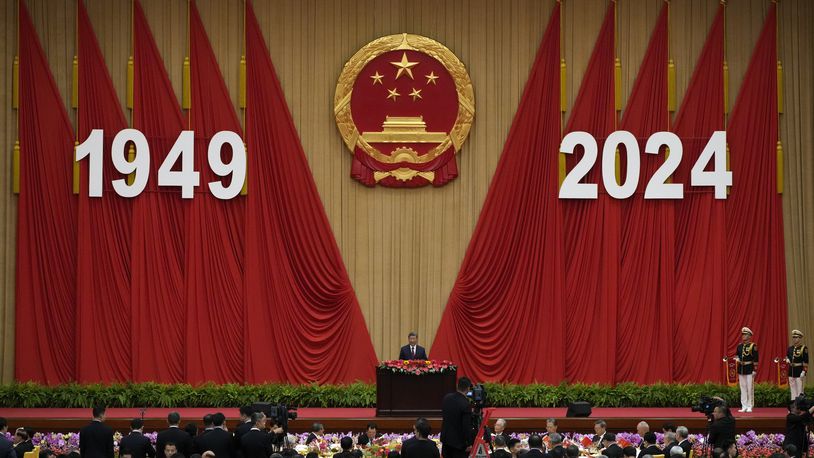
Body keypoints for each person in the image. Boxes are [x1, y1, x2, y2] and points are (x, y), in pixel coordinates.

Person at [440, 377, 474, 458]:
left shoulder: (447, 398)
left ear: (457, 386)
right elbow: (466, 426)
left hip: (446, 440)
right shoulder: (465, 404)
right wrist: (469, 443)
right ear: (468, 388)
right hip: (459, 445)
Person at [735, 327, 759, 412]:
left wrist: (754, 370)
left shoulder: (753, 346)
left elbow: (756, 359)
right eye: (743, 334)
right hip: (741, 369)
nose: (743, 336)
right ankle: (744, 405)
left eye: (745, 334)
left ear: (749, 336)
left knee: (749, 388)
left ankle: (749, 405)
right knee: (743, 388)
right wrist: (736, 358)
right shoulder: (739, 346)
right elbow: (737, 355)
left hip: (749, 369)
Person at [786, 330, 809, 400]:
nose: (795, 339)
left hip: (799, 371)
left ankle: (800, 407)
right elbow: (787, 356)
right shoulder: (790, 348)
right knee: (792, 389)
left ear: (800, 338)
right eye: (793, 337)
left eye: (796, 337)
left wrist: (804, 371)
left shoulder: (803, 348)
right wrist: (787, 359)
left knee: (800, 390)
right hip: (791, 371)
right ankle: (793, 406)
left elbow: (806, 361)